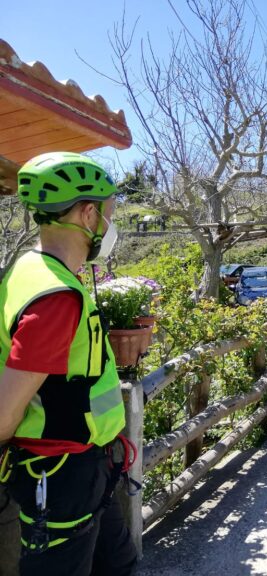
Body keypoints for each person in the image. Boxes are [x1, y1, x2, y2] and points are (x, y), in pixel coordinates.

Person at [0, 152, 137, 575]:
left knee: (119, 563)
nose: (110, 225)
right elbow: (5, 412)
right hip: (61, 476)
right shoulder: (56, 296)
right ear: (87, 213)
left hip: (89, 466)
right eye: (109, 214)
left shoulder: (29, 268)